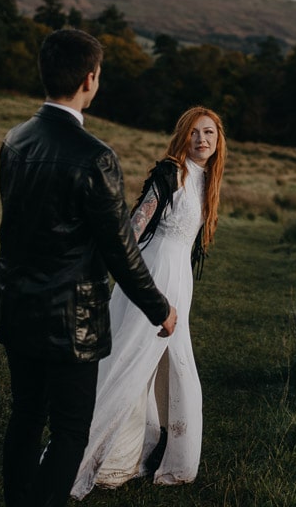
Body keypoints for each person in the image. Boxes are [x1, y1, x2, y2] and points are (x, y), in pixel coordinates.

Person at [0, 28, 178, 507]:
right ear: (90, 79)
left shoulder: (14, 141)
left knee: (25, 416)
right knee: (72, 428)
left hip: (16, 308)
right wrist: (159, 308)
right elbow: (120, 249)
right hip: (69, 322)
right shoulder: (95, 157)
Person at [71, 106, 226, 499]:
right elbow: (136, 225)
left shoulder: (207, 179)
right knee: (128, 358)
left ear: (219, 140)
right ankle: (88, 454)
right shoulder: (171, 172)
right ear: (182, 136)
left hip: (180, 280)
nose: (202, 140)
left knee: (171, 363)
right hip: (154, 274)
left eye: (209, 133)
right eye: (194, 133)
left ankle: (151, 451)